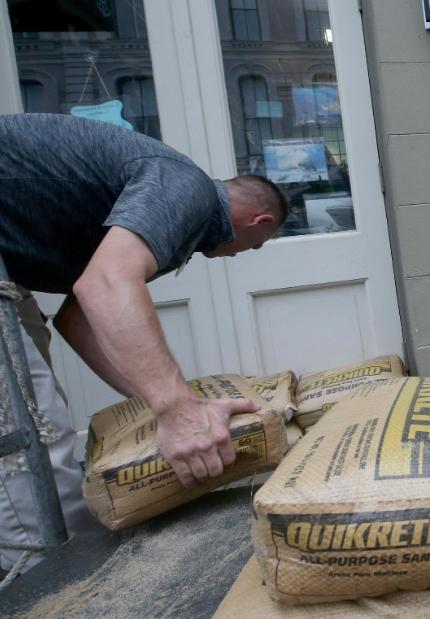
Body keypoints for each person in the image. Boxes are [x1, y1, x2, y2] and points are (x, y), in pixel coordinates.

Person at [0, 113, 286, 572]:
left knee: (39, 416)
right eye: (251, 247)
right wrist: (179, 411)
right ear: (260, 221)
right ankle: (51, 586)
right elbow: (108, 284)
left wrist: (162, 403)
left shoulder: (160, 199)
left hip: (8, 270)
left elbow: (78, 317)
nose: (237, 256)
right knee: (31, 437)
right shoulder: (185, 186)